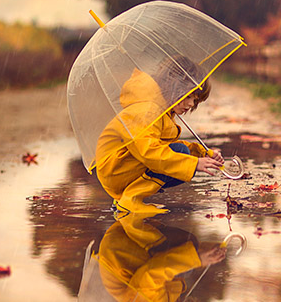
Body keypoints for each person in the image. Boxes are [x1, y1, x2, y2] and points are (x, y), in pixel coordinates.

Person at [95, 59, 224, 214]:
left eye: (195, 100)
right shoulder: (147, 110)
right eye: (188, 96)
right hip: (116, 170)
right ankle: (130, 200)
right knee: (180, 154)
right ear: (174, 86)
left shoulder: (162, 109)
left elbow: (162, 144)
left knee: (183, 157)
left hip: (124, 166)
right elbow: (149, 152)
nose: (191, 104)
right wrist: (194, 162)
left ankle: (125, 198)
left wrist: (202, 153)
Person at [97, 214, 225, 302]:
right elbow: (170, 271)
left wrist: (197, 258)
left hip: (121, 251)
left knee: (189, 247)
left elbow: (150, 275)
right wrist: (206, 253)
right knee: (189, 257)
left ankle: (137, 223)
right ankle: (140, 224)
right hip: (124, 247)